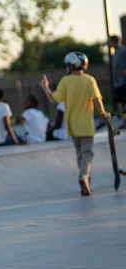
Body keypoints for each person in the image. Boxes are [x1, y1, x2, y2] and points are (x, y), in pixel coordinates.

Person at [40, 51, 110, 196]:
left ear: (72, 66)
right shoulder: (89, 80)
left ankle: (86, 182)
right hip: (86, 124)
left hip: (72, 125)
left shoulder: (65, 81)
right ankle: (84, 176)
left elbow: (54, 100)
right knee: (87, 153)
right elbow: (97, 99)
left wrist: (45, 87)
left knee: (80, 154)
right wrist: (103, 113)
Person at [109, 35, 126, 128]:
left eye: (110, 42)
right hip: (118, 82)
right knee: (122, 104)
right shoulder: (114, 53)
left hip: (124, 81)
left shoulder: (124, 50)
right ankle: (124, 121)